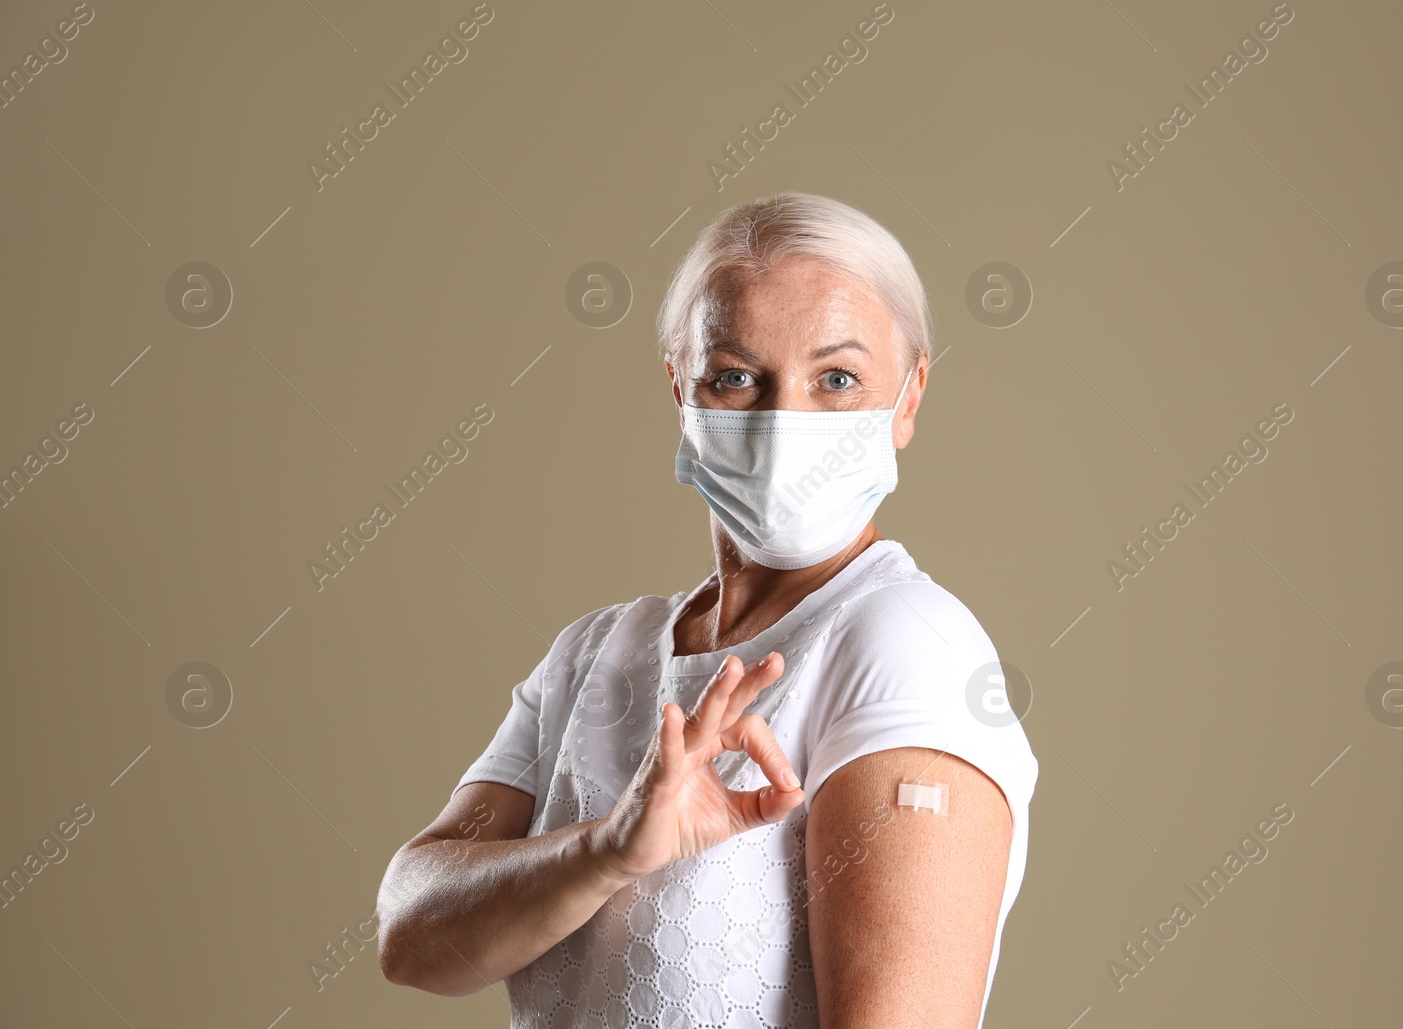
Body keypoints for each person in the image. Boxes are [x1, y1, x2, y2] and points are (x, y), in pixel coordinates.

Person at [376, 191, 1039, 1028]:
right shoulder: (595, 654)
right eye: (735, 377)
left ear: (908, 397)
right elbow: (412, 933)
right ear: (679, 390)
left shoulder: (902, 645)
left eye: (837, 378)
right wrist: (608, 849)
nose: (782, 421)